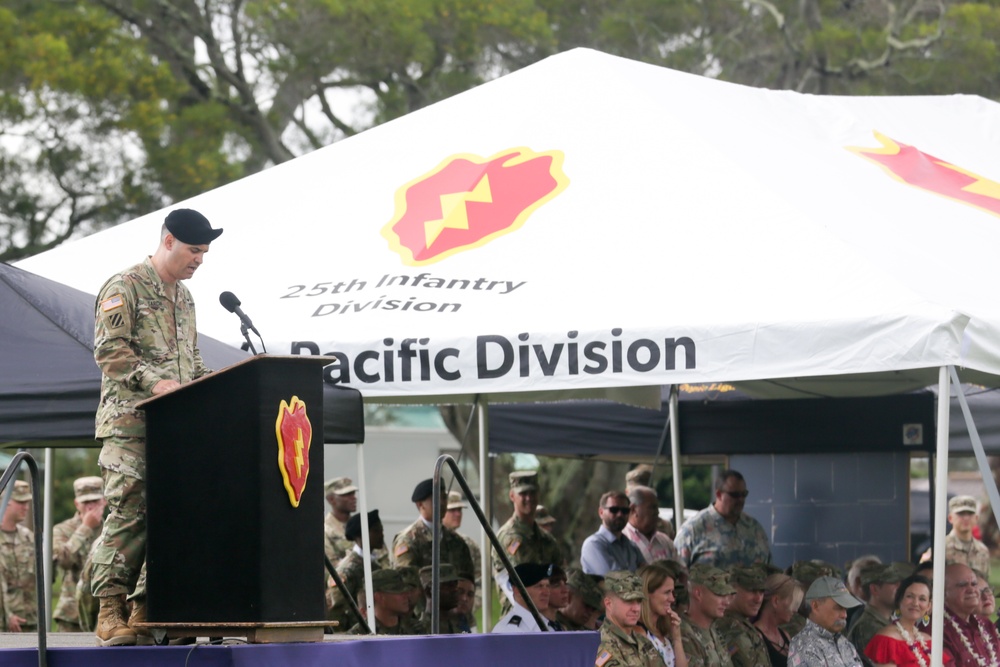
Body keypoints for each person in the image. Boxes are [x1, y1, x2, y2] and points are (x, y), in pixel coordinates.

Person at [91, 208, 222, 646]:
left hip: (175, 429)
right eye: (193, 250)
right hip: (129, 425)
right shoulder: (124, 286)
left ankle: (148, 605)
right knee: (129, 514)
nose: (199, 260)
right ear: (168, 241)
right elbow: (110, 352)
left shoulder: (184, 298)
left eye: (204, 252)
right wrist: (156, 381)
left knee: (173, 515)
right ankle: (110, 610)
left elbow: (191, 361)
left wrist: (214, 385)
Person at [493, 471, 563, 609]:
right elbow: (519, 580)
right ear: (512, 496)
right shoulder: (508, 537)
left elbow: (559, 575)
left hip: (545, 616)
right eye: (523, 494)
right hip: (518, 618)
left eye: (532, 493)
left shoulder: (547, 539)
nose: (528, 498)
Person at [674, 470, 771, 569]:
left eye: (744, 494)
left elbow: (769, 569)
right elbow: (676, 574)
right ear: (719, 494)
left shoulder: (754, 528)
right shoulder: (692, 530)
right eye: (735, 495)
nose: (741, 500)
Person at [52, 476, 106, 632]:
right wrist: (85, 528)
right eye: (85, 502)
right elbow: (63, 561)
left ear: (104, 501)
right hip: (72, 614)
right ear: (77, 504)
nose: (90, 507)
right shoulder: (62, 529)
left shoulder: (112, 529)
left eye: (95, 501)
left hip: (104, 613)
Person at [391, 479, 473, 578]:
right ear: (420, 504)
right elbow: (406, 580)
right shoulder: (408, 540)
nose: (442, 503)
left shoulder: (456, 540)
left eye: (444, 498)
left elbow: (467, 577)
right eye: (436, 498)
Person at [864, 574, 951, 667]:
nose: (915, 603)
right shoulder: (887, 639)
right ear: (899, 600)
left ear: (928, 606)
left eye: (922, 599)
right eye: (910, 596)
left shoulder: (928, 641)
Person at [787, 575, 864, 667]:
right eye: (838, 608)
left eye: (845, 609)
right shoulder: (803, 644)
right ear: (815, 606)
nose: (844, 615)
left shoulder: (845, 643)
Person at [594, 570, 664, 667]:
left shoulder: (642, 641)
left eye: (639, 601)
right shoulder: (600, 645)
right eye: (629, 601)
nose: (636, 609)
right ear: (609, 604)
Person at [328, 509, 383, 632]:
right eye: (376, 531)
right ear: (361, 535)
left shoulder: (373, 563)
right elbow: (336, 611)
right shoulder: (347, 570)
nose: (381, 535)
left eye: (381, 530)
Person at [845, 563, 904, 664]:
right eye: (893, 582)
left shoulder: (886, 622)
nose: (899, 587)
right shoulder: (868, 627)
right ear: (875, 589)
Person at [679, 564, 735, 667]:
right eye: (720, 595)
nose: (726, 602)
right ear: (698, 594)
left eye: (727, 595)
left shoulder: (713, 629)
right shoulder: (685, 635)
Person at [716, 565, 771, 667]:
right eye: (752, 591)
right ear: (732, 589)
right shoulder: (729, 625)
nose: (758, 599)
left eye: (761, 591)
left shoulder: (741, 622)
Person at [0, 480, 36, 632]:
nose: (26, 507)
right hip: (4, 624)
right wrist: (7, 615)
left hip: (30, 621)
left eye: (27, 502)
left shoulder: (28, 537)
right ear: (5, 501)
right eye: (20, 502)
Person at [942, 563, 994, 666]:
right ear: (944, 593)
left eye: (974, 584)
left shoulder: (985, 624)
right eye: (962, 585)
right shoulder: (938, 629)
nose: (971, 590)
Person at [581, 491, 645, 575]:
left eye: (625, 510)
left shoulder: (632, 546)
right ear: (601, 512)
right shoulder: (593, 544)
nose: (620, 514)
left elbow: (649, 577)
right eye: (614, 510)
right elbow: (616, 582)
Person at [636, 562, 687, 667]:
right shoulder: (637, 633)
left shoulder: (663, 631)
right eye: (666, 592)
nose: (672, 599)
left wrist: (677, 639)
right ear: (646, 593)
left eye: (673, 592)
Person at [755, 573, 805, 667]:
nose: (795, 610)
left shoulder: (785, 635)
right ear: (776, 601)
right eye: (793, 603)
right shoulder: (756, 637)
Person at [443, 491, 481, 612]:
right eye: (452, 511)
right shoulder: (431, 543)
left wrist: (471, 605)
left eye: (459, 510)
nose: (458, 514)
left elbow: (479, 581)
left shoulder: (469, 544)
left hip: (465, 615)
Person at [494, 562, 558, 633]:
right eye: (539, 586)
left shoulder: (549, 625)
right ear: (518, 591)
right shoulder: (509, 630)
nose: (546, 592)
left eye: (547, 586)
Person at [346, 569, 414, 635]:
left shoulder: (416, 629)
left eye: (405, 591)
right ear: (379, 597)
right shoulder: (359, 635)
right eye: (399, 592)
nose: (406, 596)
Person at [624, 486, 679, 565]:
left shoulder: (665, 541)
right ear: (633, 509)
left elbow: (681, 571)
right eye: (652, 507)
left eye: (657, 507)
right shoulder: (623, 541)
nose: (657, 512)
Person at [944, 496, 990, 579]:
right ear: (950, 518)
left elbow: (984, 583)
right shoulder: (941, 548)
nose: (966, 518)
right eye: (961, 514)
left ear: (976, 518)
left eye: (970, 514)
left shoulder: (982, 551)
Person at [415, 563, 465, 634]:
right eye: (448, 586)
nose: (455, 590)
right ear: (429, 591)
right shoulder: (421, 631)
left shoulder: (458, 626)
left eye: (455, 584)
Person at [324, 476, 358, 564]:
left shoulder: (362, 526)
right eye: (347, 495)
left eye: (353, 493)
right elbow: (330, 569)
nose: (353, 498)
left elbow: (382, 557)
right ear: (331, 499)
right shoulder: (325, 531)